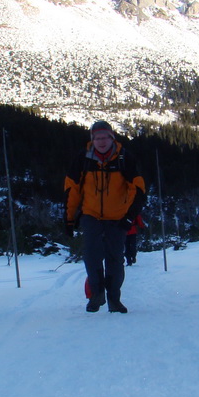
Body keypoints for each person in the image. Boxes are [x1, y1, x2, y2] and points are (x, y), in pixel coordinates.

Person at [64, 121, 146, 313]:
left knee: (115, 259)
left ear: (112, 138)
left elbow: (139, 189)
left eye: (105, 137)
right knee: (91, 257)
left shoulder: (125, 158)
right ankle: (96, 294)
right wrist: (68, 218)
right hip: (91, 215)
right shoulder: (83, 158)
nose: (101, 141)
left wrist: (130, 217)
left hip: (117, 217)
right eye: (97, 138)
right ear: (92, 139)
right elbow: (72, 189)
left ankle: (114, 300)